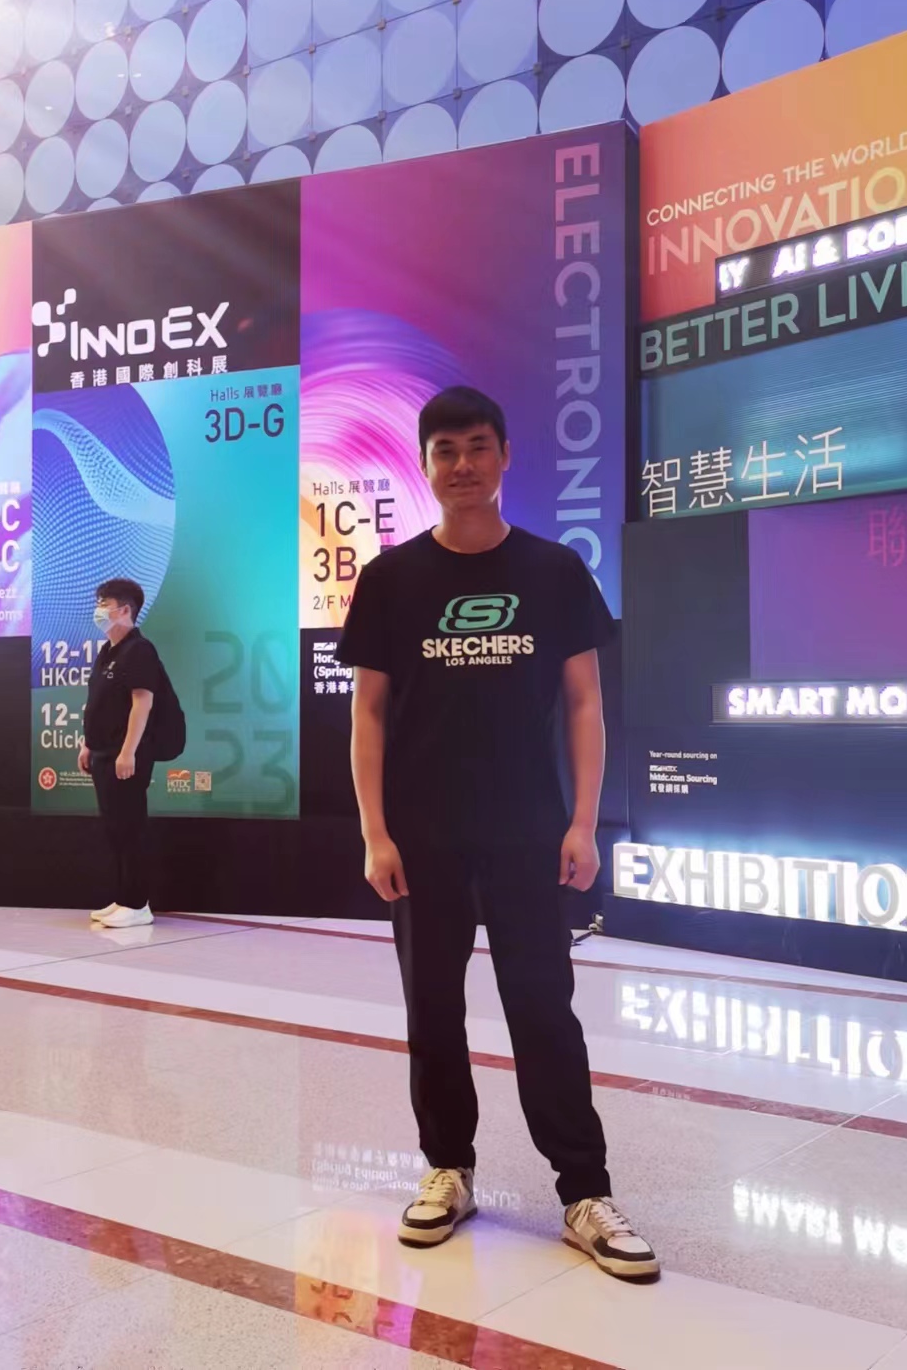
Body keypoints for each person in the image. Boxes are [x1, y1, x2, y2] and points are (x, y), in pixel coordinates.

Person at [336, 386, 658, 1281]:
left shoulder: (553, 571)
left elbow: (586, 703)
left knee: (543, 1009)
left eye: (478, 446)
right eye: (445, 451)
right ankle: (449, 1170)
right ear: (425, 464)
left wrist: (584, 821)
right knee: (433, 1009)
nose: (463, 465)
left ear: (506, 455)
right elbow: (368, 714)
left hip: (529, 833)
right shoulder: (391, 580)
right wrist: (375, 832)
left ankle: (584, 1193)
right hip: (423, 837)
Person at [78, 578, 162, 930]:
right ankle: (122, 898)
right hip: (102, 753)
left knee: (130, 828)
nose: (98, 610)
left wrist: (128, 752)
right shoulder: (108, 651)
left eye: (104, 603)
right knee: (114, 829)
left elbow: (142, 702)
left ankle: (138, 904)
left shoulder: (139, 650)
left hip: (125, 757)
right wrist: (88, 743)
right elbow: (100, 702)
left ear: (124, 610)